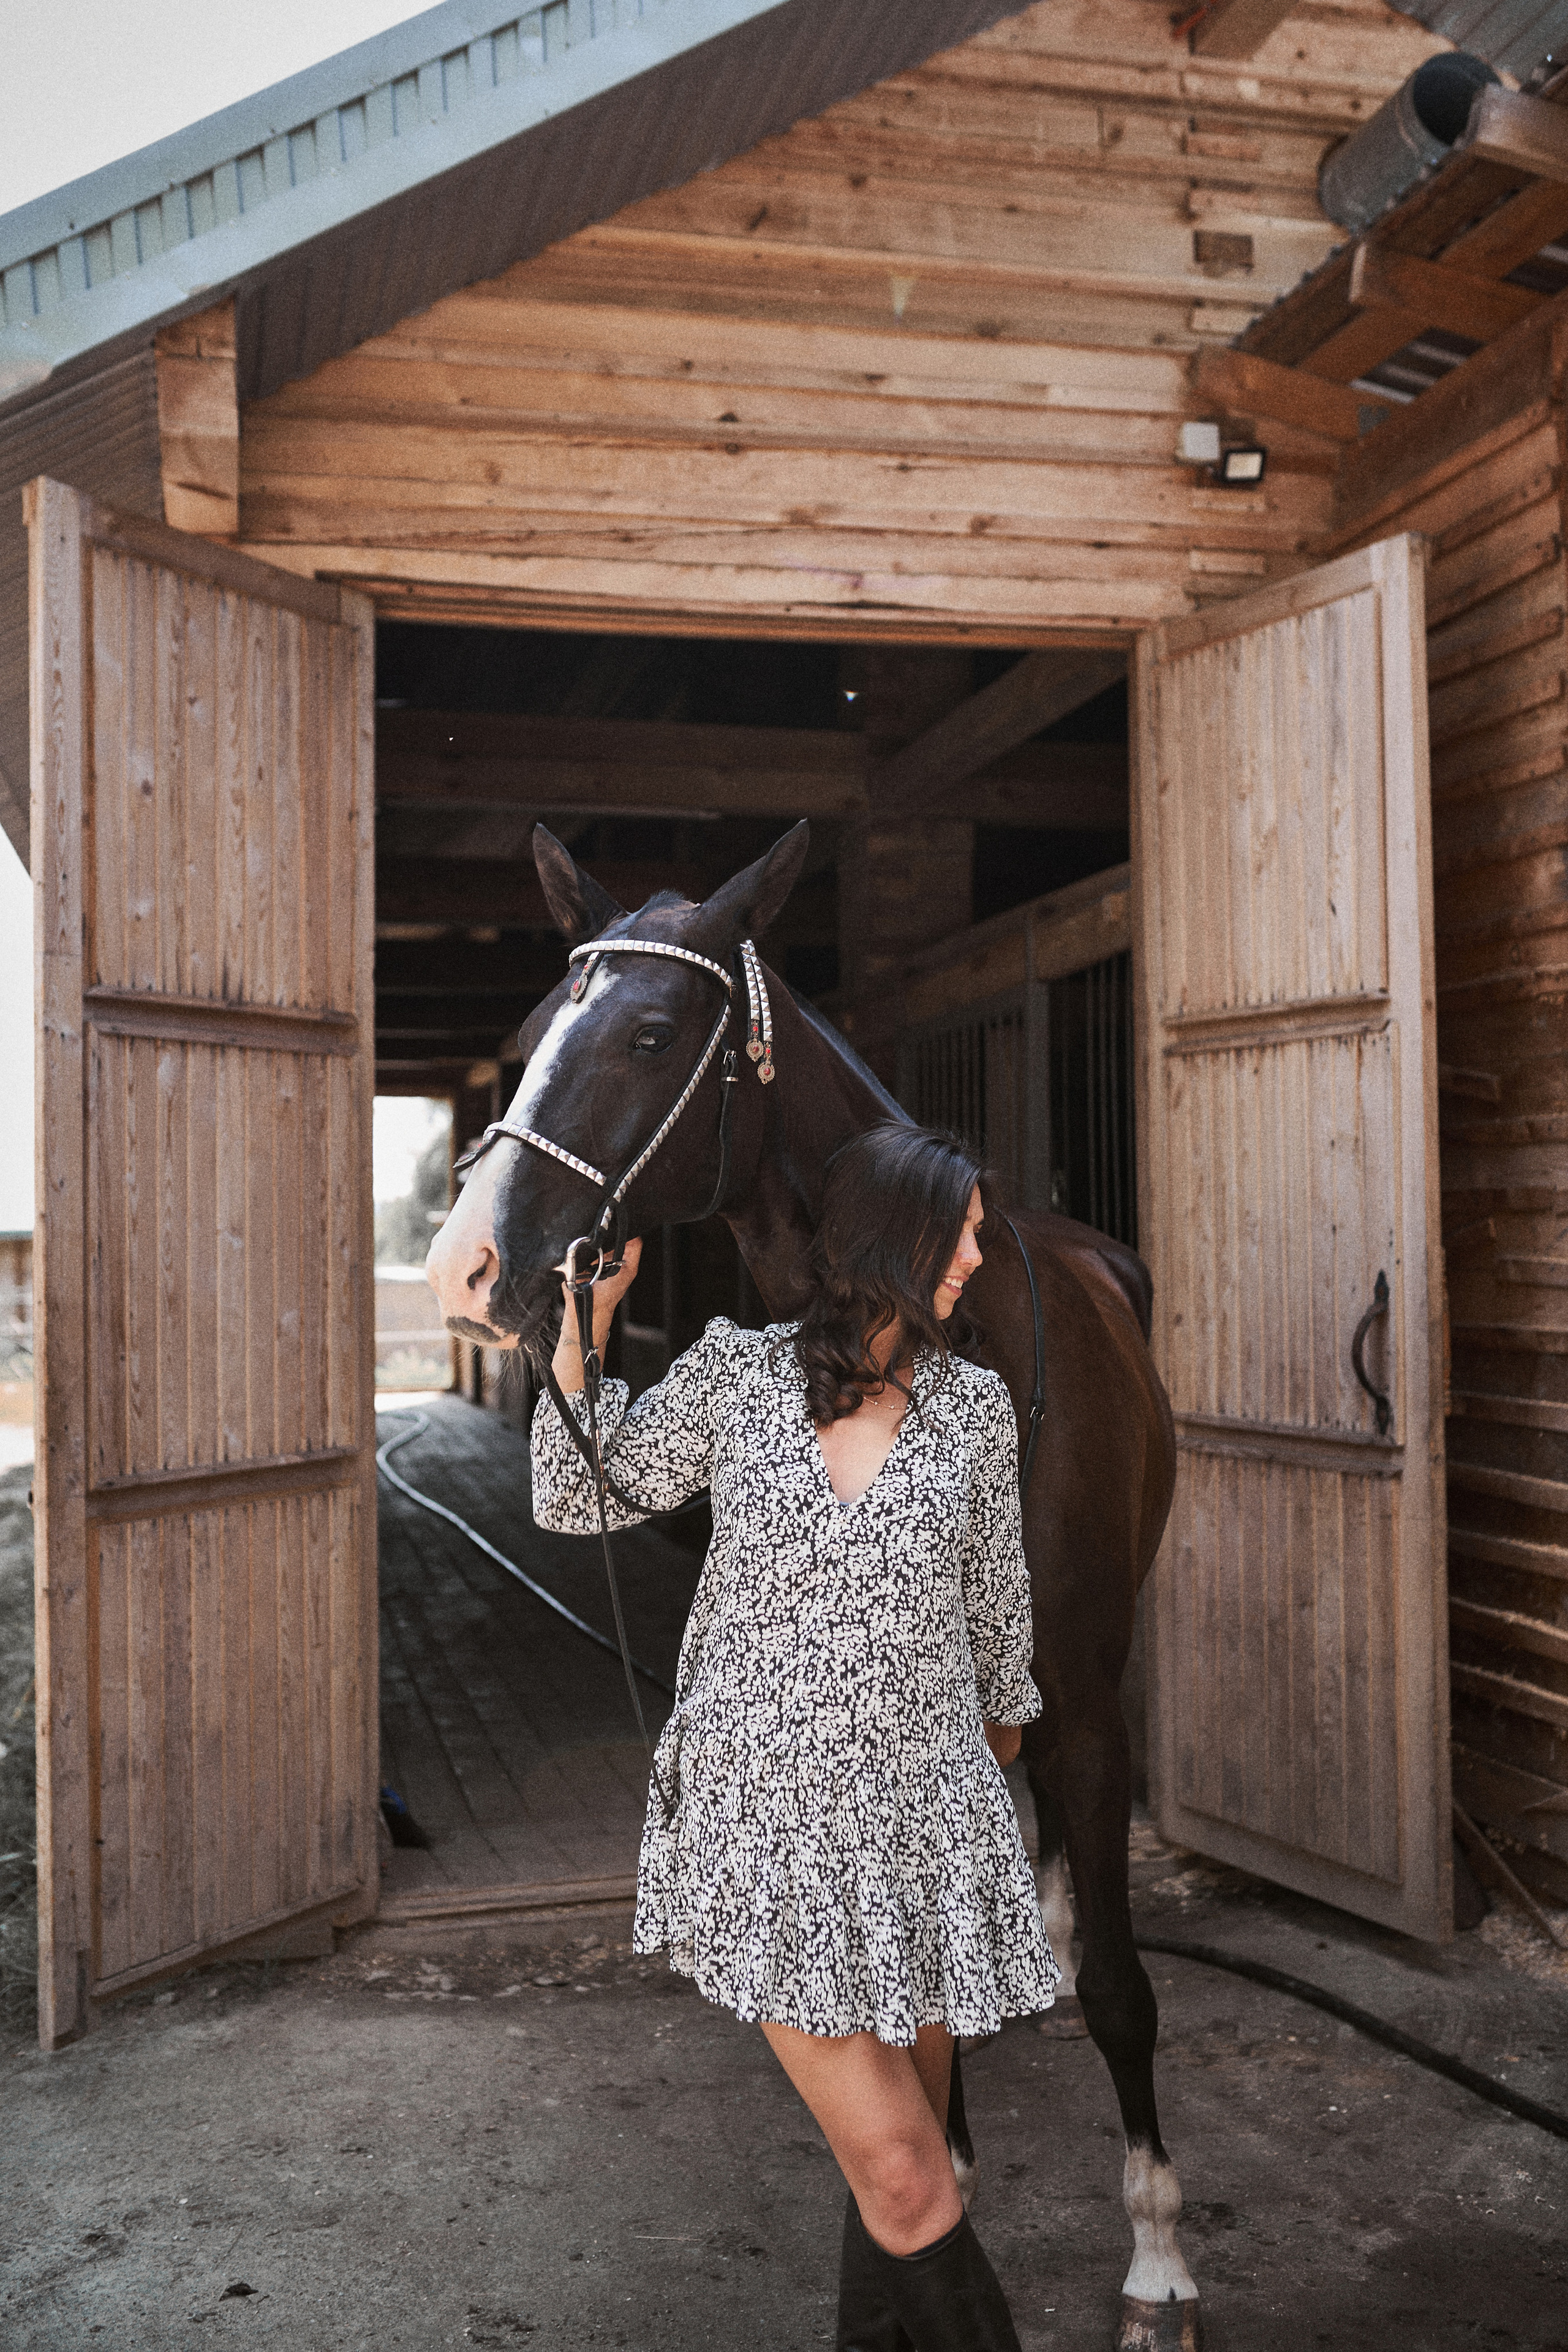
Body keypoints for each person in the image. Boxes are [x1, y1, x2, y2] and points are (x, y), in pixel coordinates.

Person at [532, 1121, 1057, 2352]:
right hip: (768, 1839)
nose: (978, 1256)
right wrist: (584, 1328)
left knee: (901, 2173)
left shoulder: (973, 1412)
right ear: (890, 1234)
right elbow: (571, 1493)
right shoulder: (737, 1377)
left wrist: (983, 1787)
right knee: (910, 2182)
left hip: (923, 1835)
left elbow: (994, 1619)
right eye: (962, 1229)